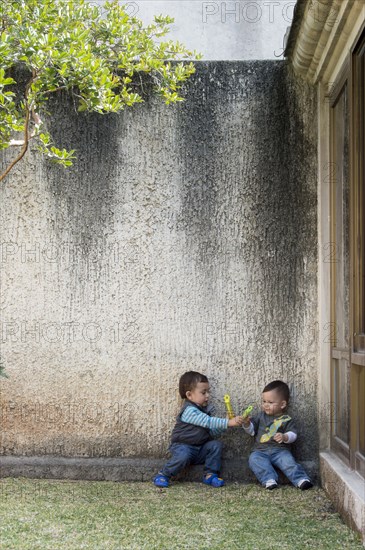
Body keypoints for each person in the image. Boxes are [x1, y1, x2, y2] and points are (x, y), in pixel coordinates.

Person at [153, 371, 244, 488]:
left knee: (215, 445)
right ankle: (164, 474)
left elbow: (210, 431)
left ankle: (210, 474)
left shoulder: (203, 410)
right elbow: (208, 421)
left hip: (199, 449)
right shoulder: (189, 411)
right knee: (183, 455)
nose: (208, 396)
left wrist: (224, 426)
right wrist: (228, 422)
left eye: (208, 392)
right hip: (183, 447)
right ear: (189, 395)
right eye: (203, 392)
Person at [243, 380, 313, 490]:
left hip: (280, 451)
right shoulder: (260, 417)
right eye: (264, 401)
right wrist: (247, 424)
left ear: (283, 404)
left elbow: (293, 435)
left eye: (270, 402)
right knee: (254, 459)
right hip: (260, 451)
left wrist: (285, 437)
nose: (266, 405)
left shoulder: (286, 419)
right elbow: (252, 432)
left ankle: (301, 479)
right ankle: (268, 479)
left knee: (288, 462)